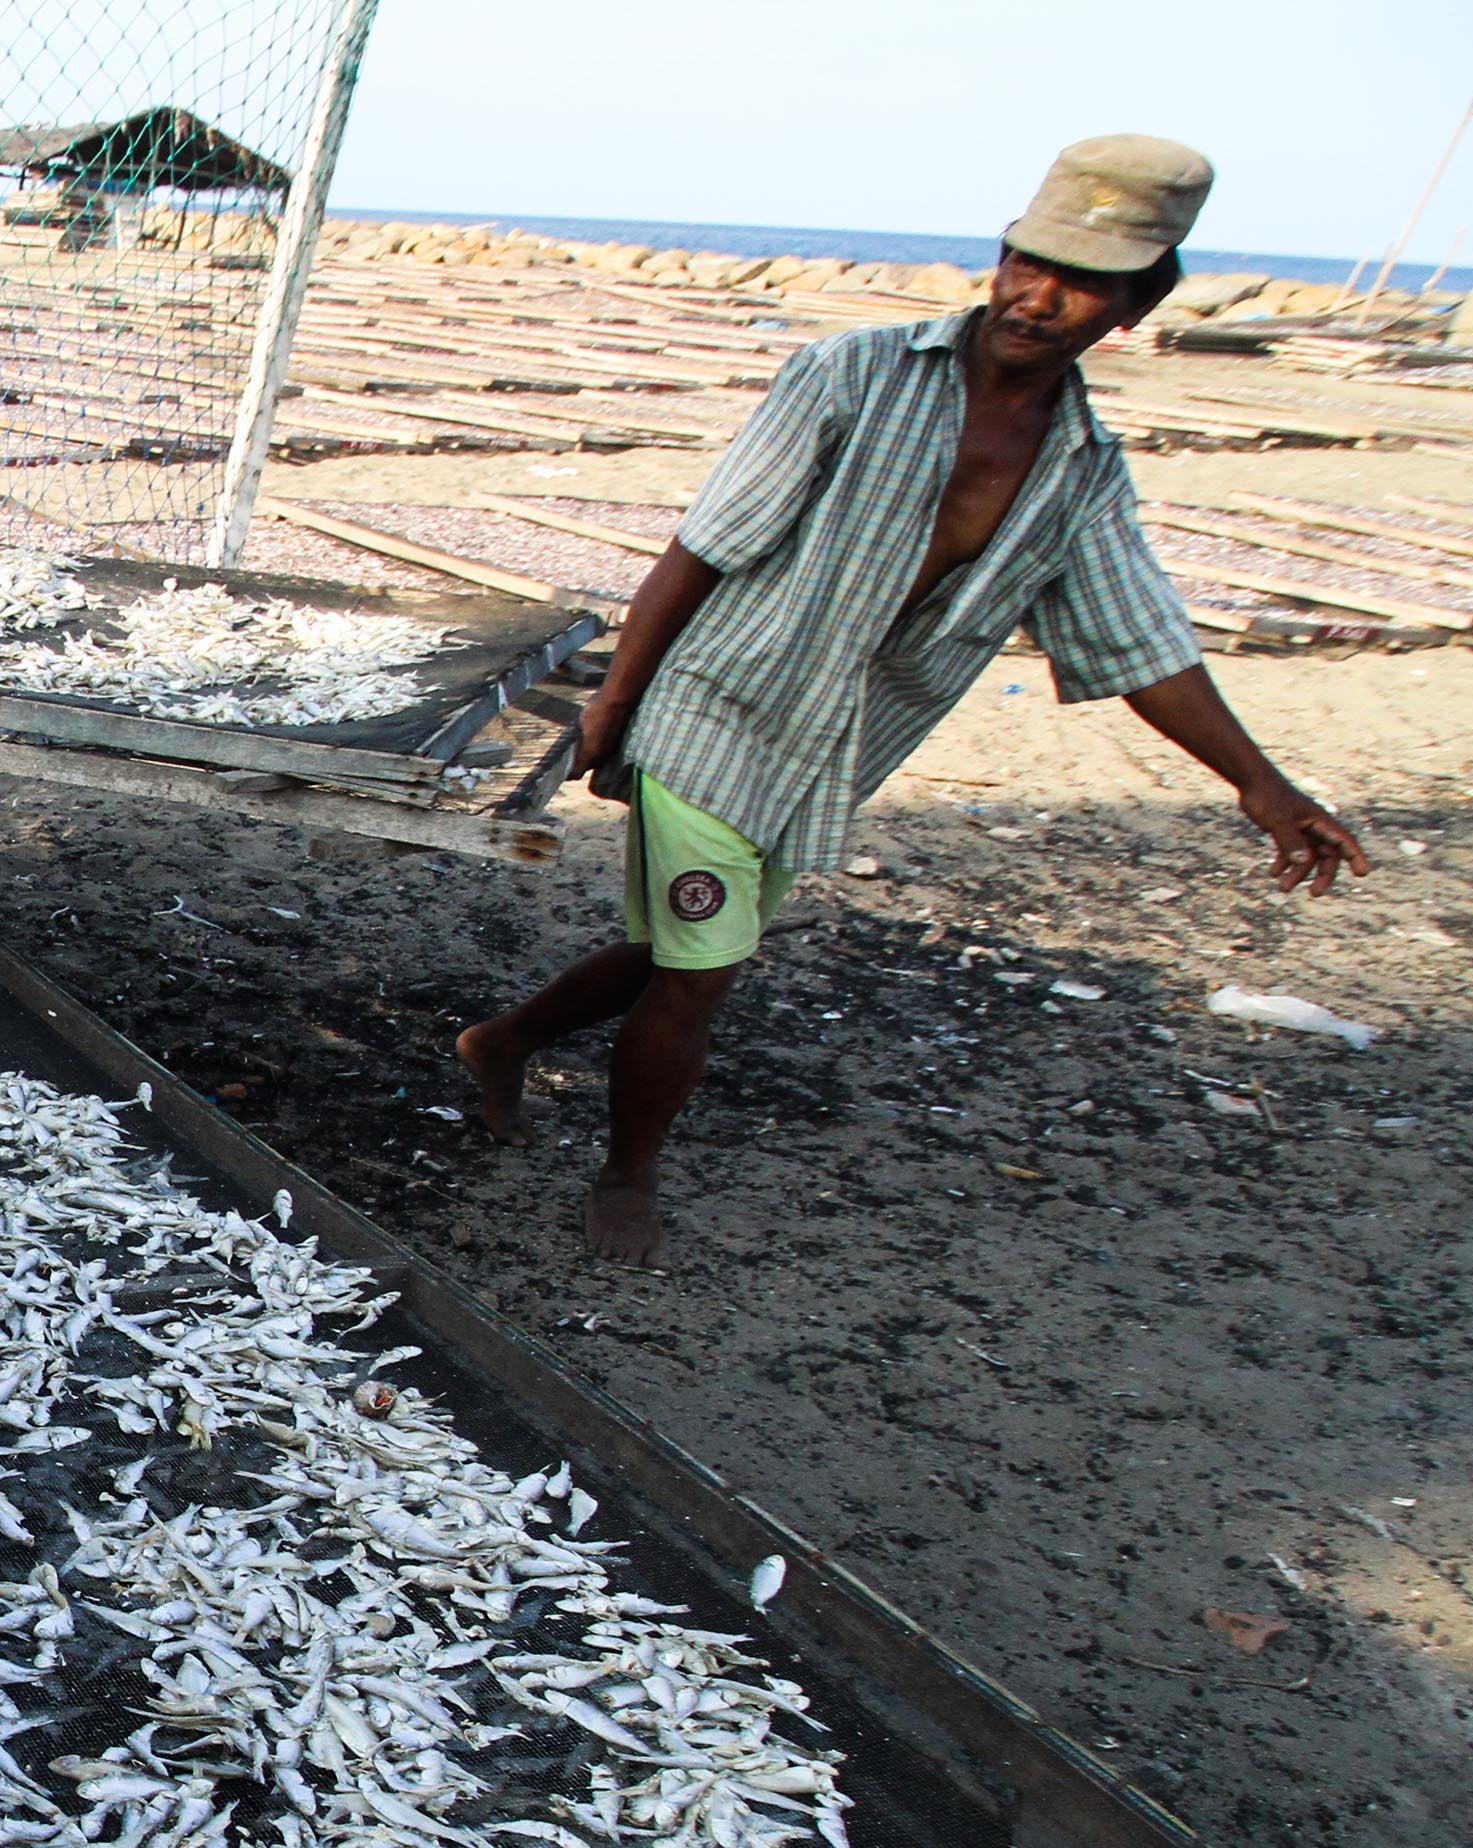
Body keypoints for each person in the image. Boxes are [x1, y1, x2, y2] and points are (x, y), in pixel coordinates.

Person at [453, 136, 1365, 1267]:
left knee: (682, 946)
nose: (1038, 296)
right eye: (1026, 260)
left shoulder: (1081, 467)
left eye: (1081, 280)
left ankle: (506, 1038)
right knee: (703, 969)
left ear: (1136, 304)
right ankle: (627, 1178)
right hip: (713, 714)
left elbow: (1141, 640)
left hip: (830, 752)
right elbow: (702, 547)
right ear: (998, 254)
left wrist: (1261, 783)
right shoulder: (854, 374)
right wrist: (617, 703)